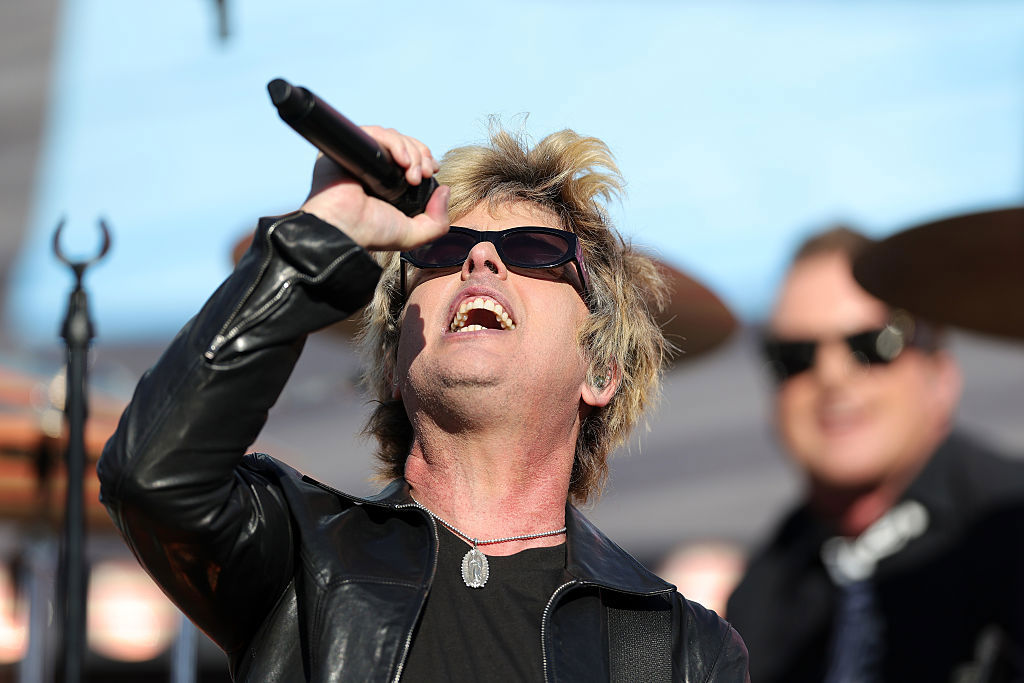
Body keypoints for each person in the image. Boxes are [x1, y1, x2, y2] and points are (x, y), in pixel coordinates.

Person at [98, 124, 749, 681]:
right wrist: (314, 239)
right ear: (390, 364)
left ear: (601, 370)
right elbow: (150, 473)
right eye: (442, 250)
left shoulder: (678, 648)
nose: (481, 259)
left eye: (535, 249)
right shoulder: (301, 552)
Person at [726, 226, 1024, 682]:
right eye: (796, 355)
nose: (832, 376)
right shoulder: (760, 596)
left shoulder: (1010, 525)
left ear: (941, 375)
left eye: (871, 344)